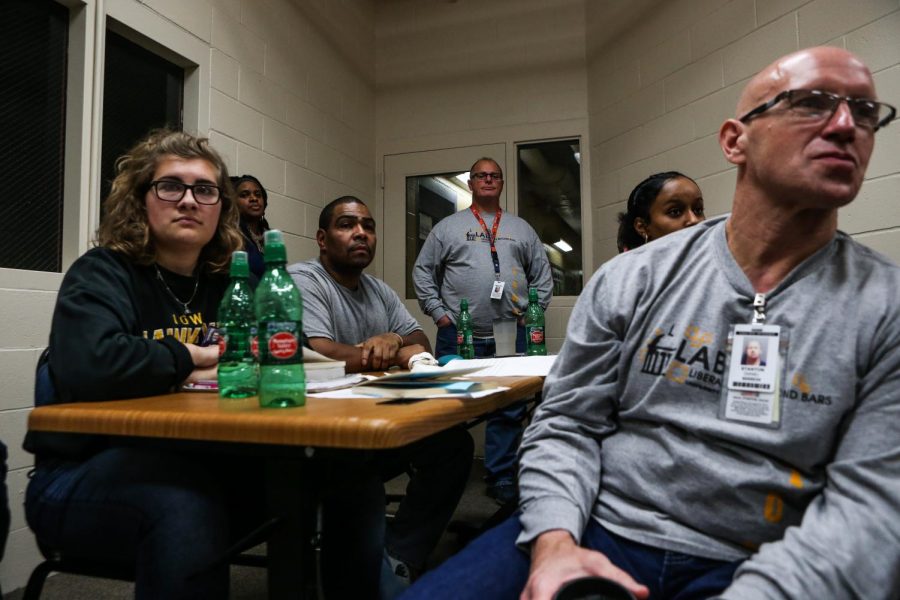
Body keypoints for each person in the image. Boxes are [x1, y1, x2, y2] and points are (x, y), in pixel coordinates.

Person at [400, 46, 899, 600]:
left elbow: (873, 505)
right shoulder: (635, 277)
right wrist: (555, 542)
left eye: (866, 111)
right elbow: (567, 425)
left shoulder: (884, 306)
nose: (846, 125)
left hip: (768, 554)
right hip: (600, 527)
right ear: (736, 140)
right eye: (813, 103)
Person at [22, 130, 385, 598]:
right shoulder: (103, 271)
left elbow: (275, 353)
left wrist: (198, 363)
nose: (189, 201)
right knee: (186, 505)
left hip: (205, 458)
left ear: (221, 208)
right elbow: (91, 363)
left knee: (351, 475)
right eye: (171, 186)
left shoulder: (225, 283)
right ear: (141, 200)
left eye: (205, 190)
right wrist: (193, 355)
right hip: (83, 471)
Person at [288, 196, 475, 590]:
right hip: (321, 436)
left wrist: (393, 338)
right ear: (322, 238)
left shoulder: (378, 289)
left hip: (376, 421)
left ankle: (399, 554)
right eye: (347, 225)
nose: (361, 233)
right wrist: (386, 355)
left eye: (368, 226)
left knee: (452, 445)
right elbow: (320, 350)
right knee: (355, 475)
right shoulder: (304, 280)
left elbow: (419, 339)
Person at [412, 157, 553, 505]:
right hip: (459, 334)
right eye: (481, 176)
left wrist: (530, 315)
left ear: (501, 183)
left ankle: (501, 475)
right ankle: (438, 472)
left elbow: (543, 276)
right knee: (447, 405)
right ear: (471, 183)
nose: (488, 180)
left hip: (510, 333)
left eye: (495, 176)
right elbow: (422, 272)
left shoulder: (521, 229)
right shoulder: (448, 227)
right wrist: (440, 314)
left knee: (508, 408)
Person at [616, 171, 705, 252]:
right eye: (675, 212)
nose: (694, 220)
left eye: (698, 210)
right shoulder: (629, 269)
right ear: (643, 227)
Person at [231, 173, 271, 278]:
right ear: (234, 202)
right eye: (244, 195)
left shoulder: (269, 236)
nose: (253, 198)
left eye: (258, 194)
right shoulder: (230, 236)